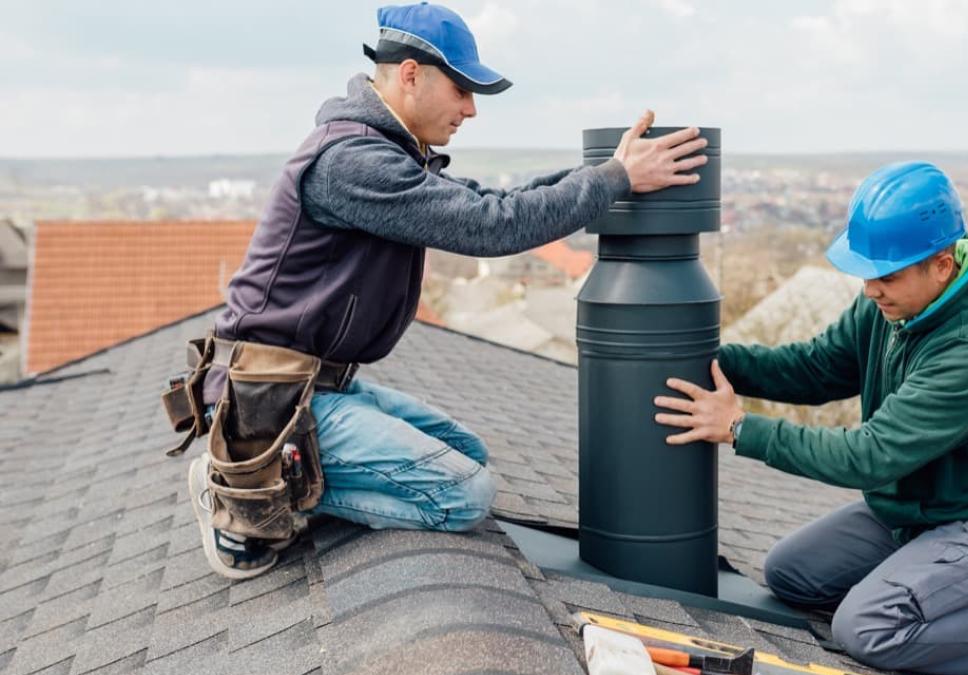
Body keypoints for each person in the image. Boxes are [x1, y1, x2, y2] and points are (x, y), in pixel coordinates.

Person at [181, 3, 706, 581]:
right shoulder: (352, 162)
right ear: (410, 74)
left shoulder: (387, 152)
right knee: (464, 493)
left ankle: (280, 474)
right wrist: (617, 179)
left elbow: (491, 201)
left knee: (468, 453)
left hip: (315, 389)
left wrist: (605, 169)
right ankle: (246, 491)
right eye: (461, 90)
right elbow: (493, 226)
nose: (470, 109)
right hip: (271, 401)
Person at [654, 161, 968, 675]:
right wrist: (711, 360)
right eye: (867, 274)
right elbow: (818, 368)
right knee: (791, 574)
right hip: (917, 512)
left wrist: (739, 428)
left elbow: (868, 457)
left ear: (942, 266)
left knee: (866, 629)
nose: (870, 290)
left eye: (885, 277)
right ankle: (935, 592)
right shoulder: (895, 306)